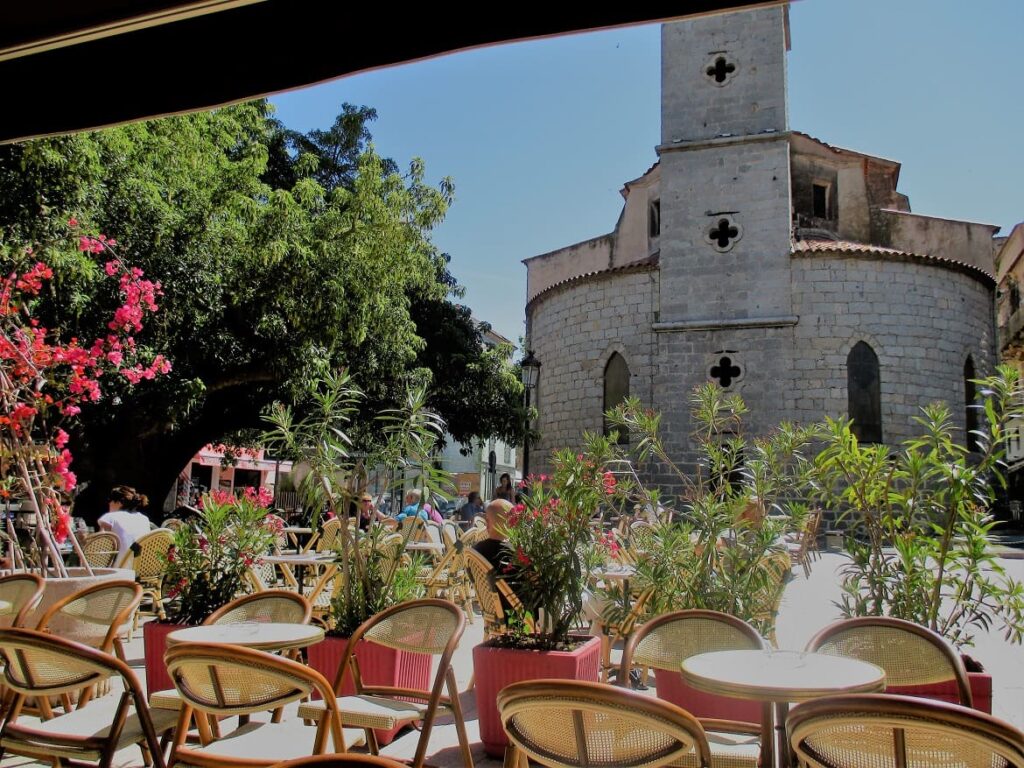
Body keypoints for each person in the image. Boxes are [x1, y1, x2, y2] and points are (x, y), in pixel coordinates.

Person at [97, 485, 152, 564]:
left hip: (117, 571)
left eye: (110, 500)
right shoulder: (144, 519)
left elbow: (98, 549)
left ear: (119, 503)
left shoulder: (110, 518)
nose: (109, 503)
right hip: (139, 570)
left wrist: (83, 540)